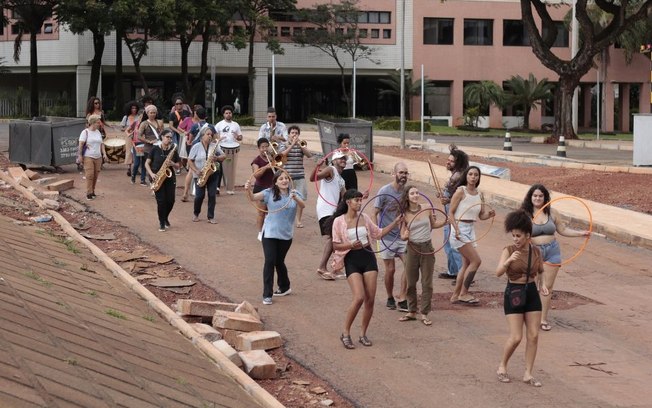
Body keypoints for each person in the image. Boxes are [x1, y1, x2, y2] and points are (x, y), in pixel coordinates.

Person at [330, 189, 403, 349]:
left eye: (360, 200)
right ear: (348, 202)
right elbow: (335, 244)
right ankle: (345, 332)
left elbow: (378, 233)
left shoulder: (365, 218)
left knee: (370, 299)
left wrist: (395, 223)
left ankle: (363, 334)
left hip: (368, 258)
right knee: (359, 297)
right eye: (357, 200)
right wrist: (350, 245)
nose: (360, 203)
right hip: (351, 259)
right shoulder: (339, 221)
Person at [521, 184, 591, 331]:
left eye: (541, 196)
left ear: (545, 198)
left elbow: (563, 230)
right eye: (535, 196)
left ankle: (542, 319)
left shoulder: (553, 213)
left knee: (547, 287)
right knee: (531, 285)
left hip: (552, 251)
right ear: (530, 197)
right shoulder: (524, 214)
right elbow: (518, 235)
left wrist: (581, 234)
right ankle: (528, 315)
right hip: (533, 251)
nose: (538, 198)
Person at [496, 209, 548, 387]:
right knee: (516, 337)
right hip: (514, 292)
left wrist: (543, 285)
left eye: (518, 236)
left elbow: (541, 271)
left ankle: (528, 373)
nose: (515, 239)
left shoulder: (536, 252)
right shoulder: (508, 250)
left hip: (531, 291)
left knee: (533, 335)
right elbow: (498, 273)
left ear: (528, 235)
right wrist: (508, 261)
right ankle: (502, 366)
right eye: (513, 235)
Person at [245, 171, 305, 305]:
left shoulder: (294, 193)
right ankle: (267, 294)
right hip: (270, 233)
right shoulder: (269, 192)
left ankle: (284, 286)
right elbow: (253, 197)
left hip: (286, 234)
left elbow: (303, 205)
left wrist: (295, 198)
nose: (284, 181)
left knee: (279, 261)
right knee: (270, 261)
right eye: (281, 179)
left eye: (285, 178)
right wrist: (248, 189)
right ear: (276, 182)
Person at [398, 185, 446, 326]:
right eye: (412, 193)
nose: (415, 195)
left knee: (427, 283)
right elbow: (402, 235)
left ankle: (424, 313)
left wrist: (445, 222)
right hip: (412, 248)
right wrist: (405, 236)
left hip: (426, 247)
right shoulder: (404, 214)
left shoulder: (426, 208)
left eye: (417, 193)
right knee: (411, 283)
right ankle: (412, 311)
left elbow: (434, 224)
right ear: (407, 196)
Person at [449, 166, 496, 304]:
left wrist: (490, 214)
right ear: (466, 176)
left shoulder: (479, 194)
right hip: (459, 228)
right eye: (470, 174)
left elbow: (481, 215)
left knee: (467, 263)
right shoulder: (460, 191)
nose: (473, 177)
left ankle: (456, 295)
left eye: (476, 174)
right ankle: (463, 293)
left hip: (470, 228)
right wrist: (456, 229)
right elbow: (450, 213)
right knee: (476, 261)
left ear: (478, 177)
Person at [374, 162, 410, 311]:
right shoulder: (384, 191)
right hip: (386, 236)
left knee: (410, 266)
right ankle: (389, 297)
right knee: (390, 270)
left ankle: (402, 297)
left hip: (401, 236)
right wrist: (377, 231)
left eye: (406, 173)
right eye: (401, 172)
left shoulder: (407, 192)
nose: (403, 176)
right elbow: (374, 212)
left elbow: (410, 212)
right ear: (394, 173)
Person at [310, 149, 347, 280]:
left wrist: (360, 196)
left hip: (333, 210)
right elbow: (312, 178)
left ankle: (336, 268)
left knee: (338, 238)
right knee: (332, 238)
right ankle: (322, 267)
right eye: (340, 158)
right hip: (325, 209)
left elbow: (346, 198)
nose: (343, 160)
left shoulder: (341, 179)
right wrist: (318, 166)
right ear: (334, 160)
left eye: (345, 158)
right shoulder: (331, 170)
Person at [438, 144, 469, 280]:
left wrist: (448, 200)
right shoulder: (456, 175)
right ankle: (453, 272)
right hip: (449, 216)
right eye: (448, 159)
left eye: (451, 161)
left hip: (454, 217)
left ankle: (462, 275)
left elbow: (460, 199)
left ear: (458, 163)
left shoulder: (459, 177)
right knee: (449, 244)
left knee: (455, 246)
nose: (447, 162)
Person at [188, 126, 225, 224]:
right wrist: (196, 170)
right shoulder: (196, 146)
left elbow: (224, 156)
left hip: (213, 173)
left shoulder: (214, 145)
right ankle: (196, 213)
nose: (210, 136)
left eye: (211, 135)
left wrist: (216, 158)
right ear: (202, 136)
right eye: (207, 134)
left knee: (212, 195)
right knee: (199, 196)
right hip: (200, 174)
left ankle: (210, 216)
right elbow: (190, 160)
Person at [145, 129, 180, 232]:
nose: (169, 139)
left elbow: (179, 166)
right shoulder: (155, 149)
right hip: (157, 177)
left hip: (169, 177)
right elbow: (147, 163)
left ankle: (165, 217)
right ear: (162, 137)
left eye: (170, 137)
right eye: (167, 137)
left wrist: (173, 164)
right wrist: (151, 174)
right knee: (161, 201)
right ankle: (161, 222)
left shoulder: (173, 150)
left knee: (171, 200)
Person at [279, 125, 312, 228]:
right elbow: (282, 155)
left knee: (299, 199)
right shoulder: (284, 144)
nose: (294, 135)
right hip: (287, 177)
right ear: (289, 134)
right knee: (286, 199)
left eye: (296, 133)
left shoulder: (301, 144)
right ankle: (286, 218)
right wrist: (292, 144)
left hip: (300, 176)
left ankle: (298, 220)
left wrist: (301, 146)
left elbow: (309, 155)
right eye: (292, 133)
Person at [77, 114, 109, 200]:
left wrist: (104, 154)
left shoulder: (98, 132)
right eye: (98, 122)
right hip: (88, 156)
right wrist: (80, 155)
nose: (99, 124)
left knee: (95, 175)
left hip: (98, 156)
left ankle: (93, 190)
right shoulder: (85, 132)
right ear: (93, 123)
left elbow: (101, 144)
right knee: (89, 174)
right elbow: (81, 144)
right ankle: (89, 192)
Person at [215, 104, 243, 195]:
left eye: (230, 113)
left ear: (232, 114)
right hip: (220, 148)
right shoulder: (219, 124)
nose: (228, 114)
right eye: (226, 113)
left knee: (229, 170)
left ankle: (229, 188)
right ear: (223, 114)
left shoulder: (236, 125)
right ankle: (217, 187)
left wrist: (238, 137)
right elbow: (214, 136)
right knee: (219, 169)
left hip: (232, 150)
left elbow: (240, 137)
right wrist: (218, 139)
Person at [251, 138, 275, 235]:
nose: (265, 149)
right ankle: (260, 232)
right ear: (259, 148)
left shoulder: (272, 157)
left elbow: (280, 168)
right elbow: (256, 175)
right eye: (262, 147)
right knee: (262, 212)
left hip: (272, 188)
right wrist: (266, 167)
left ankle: (270, 231)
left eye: (266, 146)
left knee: (272, 212)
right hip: (260, 188)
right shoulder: (256, 161)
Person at [134, 104, 164, 186]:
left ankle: (156, 182)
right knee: (148, 166)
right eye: (151, 113)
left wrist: (160, 138)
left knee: (157, 165)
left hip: (158, 147)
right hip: (148, 148)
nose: (153, 114)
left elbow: (163, 133)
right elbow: (139, 136)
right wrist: (148, 141)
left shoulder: (160, 122)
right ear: (147, 113)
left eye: (154, 113)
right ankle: (150, 182)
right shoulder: (144, 123)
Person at [120, 101, 140, 177]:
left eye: (135, 108)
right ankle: (129, 167)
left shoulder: (139, 117)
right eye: (132, 108)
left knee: (138, 151)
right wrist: (129, 129)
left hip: (137, 136)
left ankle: (136, 167)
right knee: (129, 151)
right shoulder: (126, 117)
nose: (134, 109)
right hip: (129, 136)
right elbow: (122, 127)